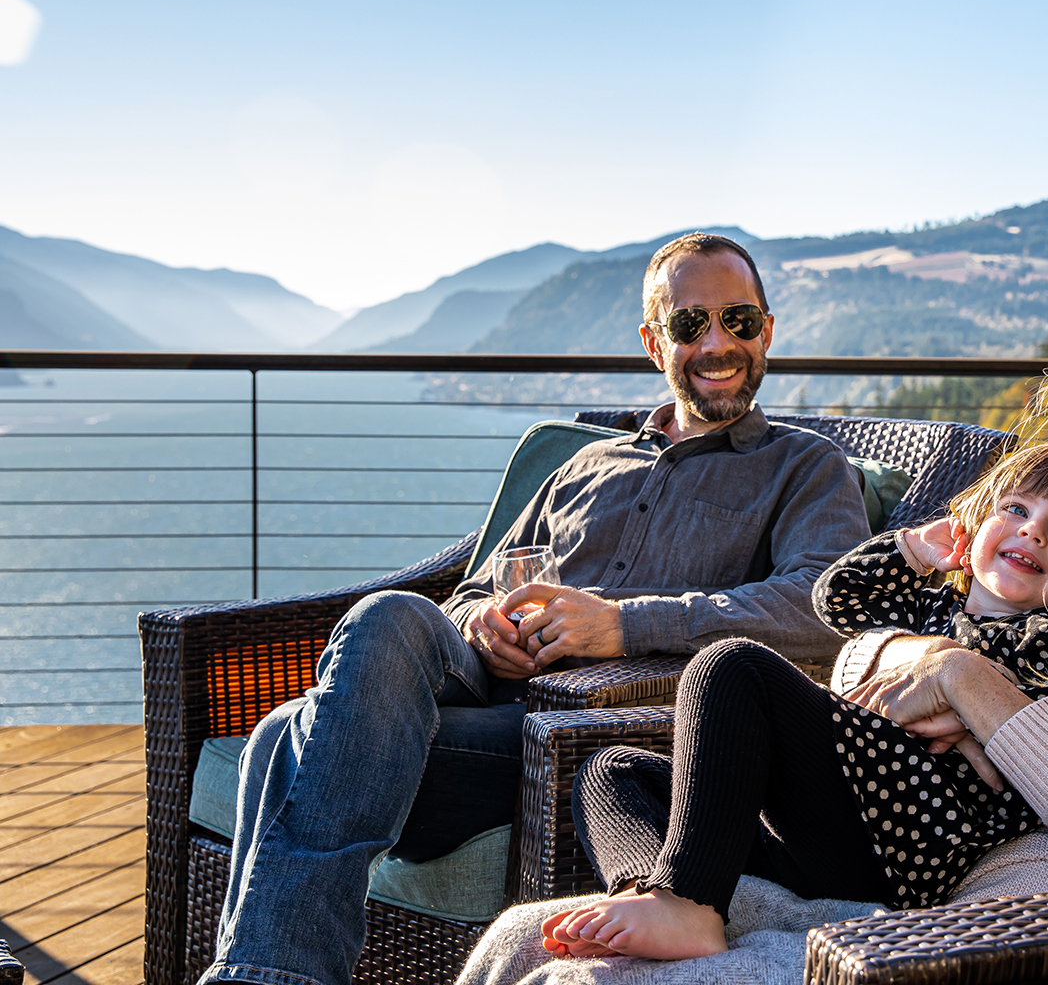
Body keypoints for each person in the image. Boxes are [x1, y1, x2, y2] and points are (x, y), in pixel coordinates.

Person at [455, 283, 1048, 985]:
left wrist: (970, 685)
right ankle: (671, 900)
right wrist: (918, 658)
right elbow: (855, 647)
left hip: (1009, 921)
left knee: (576, 968)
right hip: (897, 849)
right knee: (548, 893)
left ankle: (686, 907)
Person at [199, 232, 872, 985]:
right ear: (656, 343)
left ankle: (264, 976)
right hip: (480, 684)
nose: (718, 343)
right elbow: (473, 591)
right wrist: (478, 625)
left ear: (767, 331)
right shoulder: (585, 464)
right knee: (388, 613)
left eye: (739, 320)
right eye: (691, 324)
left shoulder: (804, 466)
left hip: (565, 731)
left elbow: (823, 607)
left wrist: (622, 622)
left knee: (286, 736)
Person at [538, 443, 1048, 961]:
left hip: (908, 848)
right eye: (1017, 510)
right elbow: (837, 601)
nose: (1032, 532)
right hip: (827, 831)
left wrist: (986, 720)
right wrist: (914, 550)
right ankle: (651, 891)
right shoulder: (924, 607)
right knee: (612, 771)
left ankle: (687, 902)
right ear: (974, 525)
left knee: (733, 665)